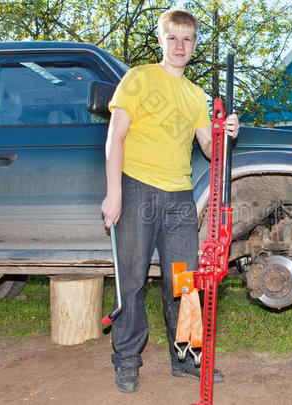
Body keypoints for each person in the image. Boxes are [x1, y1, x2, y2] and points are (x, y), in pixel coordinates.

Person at [101, 8, 239, 393]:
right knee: (131, 280)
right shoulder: (139, 77)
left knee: (185, 283)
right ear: (160, 39)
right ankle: (127, 360)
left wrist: (226, 132)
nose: (180, 46)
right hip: (135, 188)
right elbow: (116, 137)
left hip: (179, 197)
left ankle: (188, 360)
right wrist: (114, 193)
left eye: (188, 39)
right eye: (172, 38)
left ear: (195, 45)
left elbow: (211, 151)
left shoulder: (197, 95)